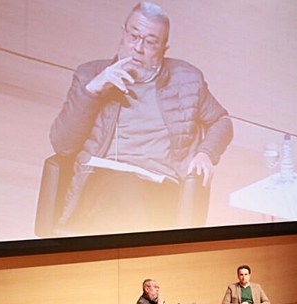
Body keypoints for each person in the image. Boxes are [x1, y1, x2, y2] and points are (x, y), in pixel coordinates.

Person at [49, 2, 233, 234]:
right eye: (133, 36)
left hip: (158, 185)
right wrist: (92, 91)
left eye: (150, 42)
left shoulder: (187, 79)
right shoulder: (90, 75)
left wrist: (207, 152)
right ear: (123, 32)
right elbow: (62, 145)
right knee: (123, 189)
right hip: (104, 183)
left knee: (131, 197)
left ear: (164, 48)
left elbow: (222, 121)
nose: (138, 47)